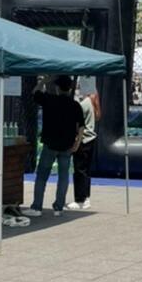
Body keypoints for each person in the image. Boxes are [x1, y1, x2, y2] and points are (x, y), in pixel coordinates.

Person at [23, 76, 85, 217]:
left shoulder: (49, 100)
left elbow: (34, 93)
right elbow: (81, 126)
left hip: (50, 144)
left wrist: (43, 81)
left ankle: (37, 207)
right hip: (67, 145)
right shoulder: (75, 105)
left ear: (57, 88)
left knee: (42, 176)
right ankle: (58, 207)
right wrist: (77, 143)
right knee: (63, 177)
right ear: (70, 88)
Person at [67, 87, 100, 211]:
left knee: (79, 170)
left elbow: (77, 124)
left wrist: (75, 141)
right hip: (90, 139)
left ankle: (80, 199)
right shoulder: (90, 102)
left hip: (83, 140)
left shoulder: (83, 105)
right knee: (85, 171)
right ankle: (86, 198)